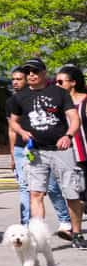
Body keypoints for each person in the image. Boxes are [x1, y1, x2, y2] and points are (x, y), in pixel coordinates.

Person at [9, 58, 85, 249]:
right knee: (36, 193)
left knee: (71, 193)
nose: (31, 75)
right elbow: (13, 121)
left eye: (35, 71)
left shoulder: (59, 93)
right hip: (36, 152)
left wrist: (68, 135)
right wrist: (21, 132)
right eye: (28, 72)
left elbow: (74, 118)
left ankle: (76, 234)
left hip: (61, 150)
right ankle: (38, 238)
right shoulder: (19, 97)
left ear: (44, 72)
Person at [55, 65, 87, 227]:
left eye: (61, 81)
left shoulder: (84, 100)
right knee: (76, 195)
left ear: (73, 82)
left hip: (84, 153)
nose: (57, 84)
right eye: (55, 81)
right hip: (67, 156)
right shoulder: (57, 104)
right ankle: (76, 232)